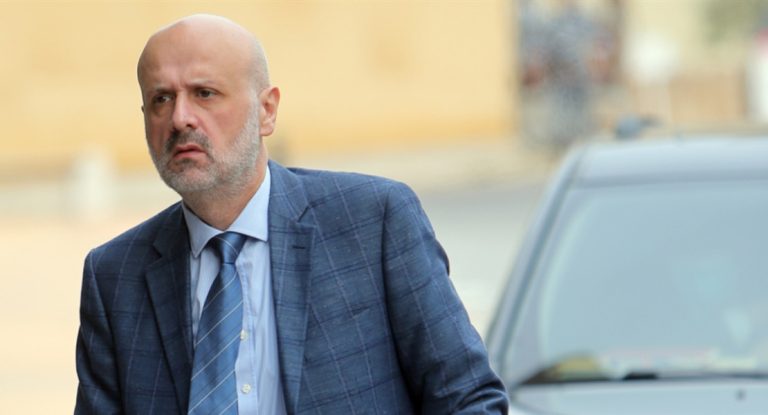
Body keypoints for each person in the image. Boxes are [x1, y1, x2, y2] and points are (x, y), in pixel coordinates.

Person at [74, 14, 508, 415]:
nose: (180, 118)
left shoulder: (372, 223)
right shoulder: (114, 276)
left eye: (205, 93)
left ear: (267, 111)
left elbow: (468, 398)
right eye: (161, 99)